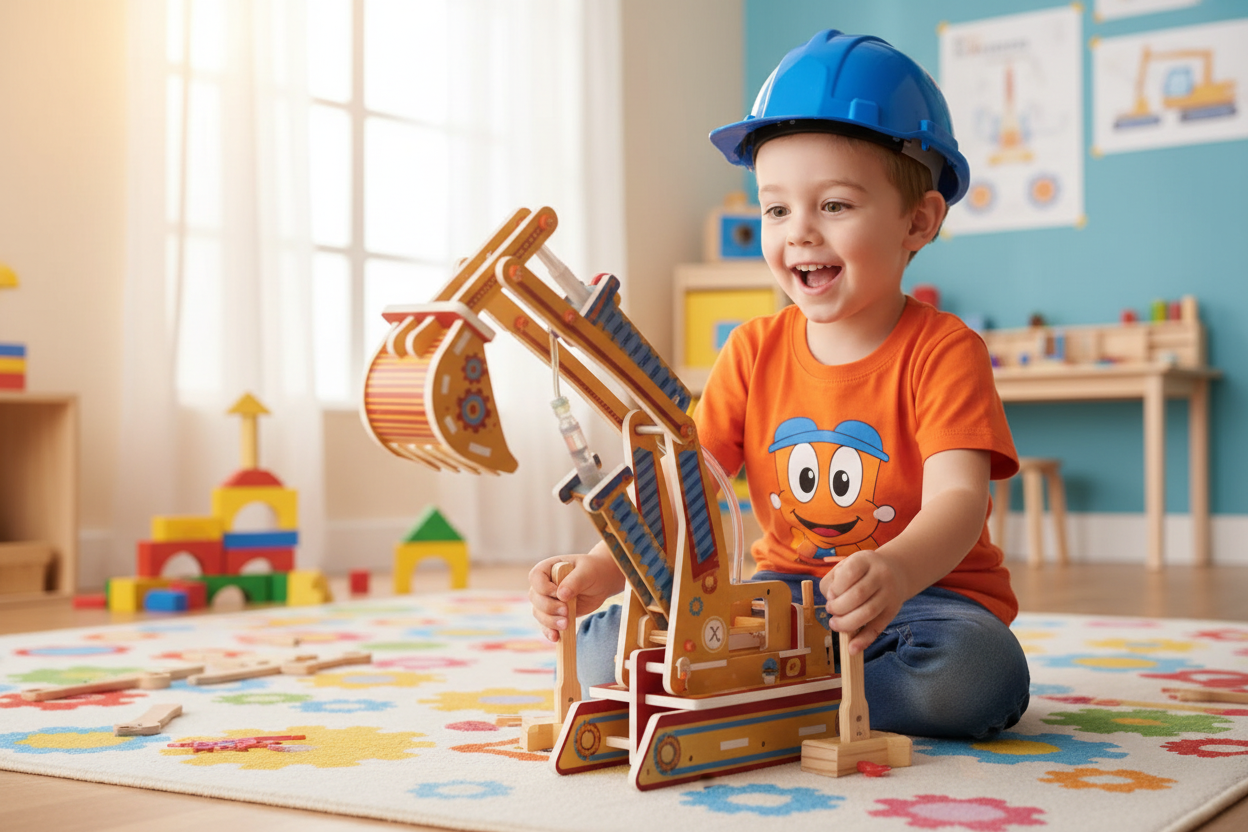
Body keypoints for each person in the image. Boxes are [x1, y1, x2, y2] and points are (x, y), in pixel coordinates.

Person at [528, 29, 1029, 739]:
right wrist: (603, 569)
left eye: (834, 206)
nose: (799, 233)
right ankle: (802, 691)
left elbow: (958, 500)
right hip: (780, 601)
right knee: (605, 650)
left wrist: (892, 569)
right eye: (775, 209)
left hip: (922, 603)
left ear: (918, 220)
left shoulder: (945, 350)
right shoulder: (753, 350)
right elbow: (683, 487)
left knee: (974, 676)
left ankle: (769, 697)